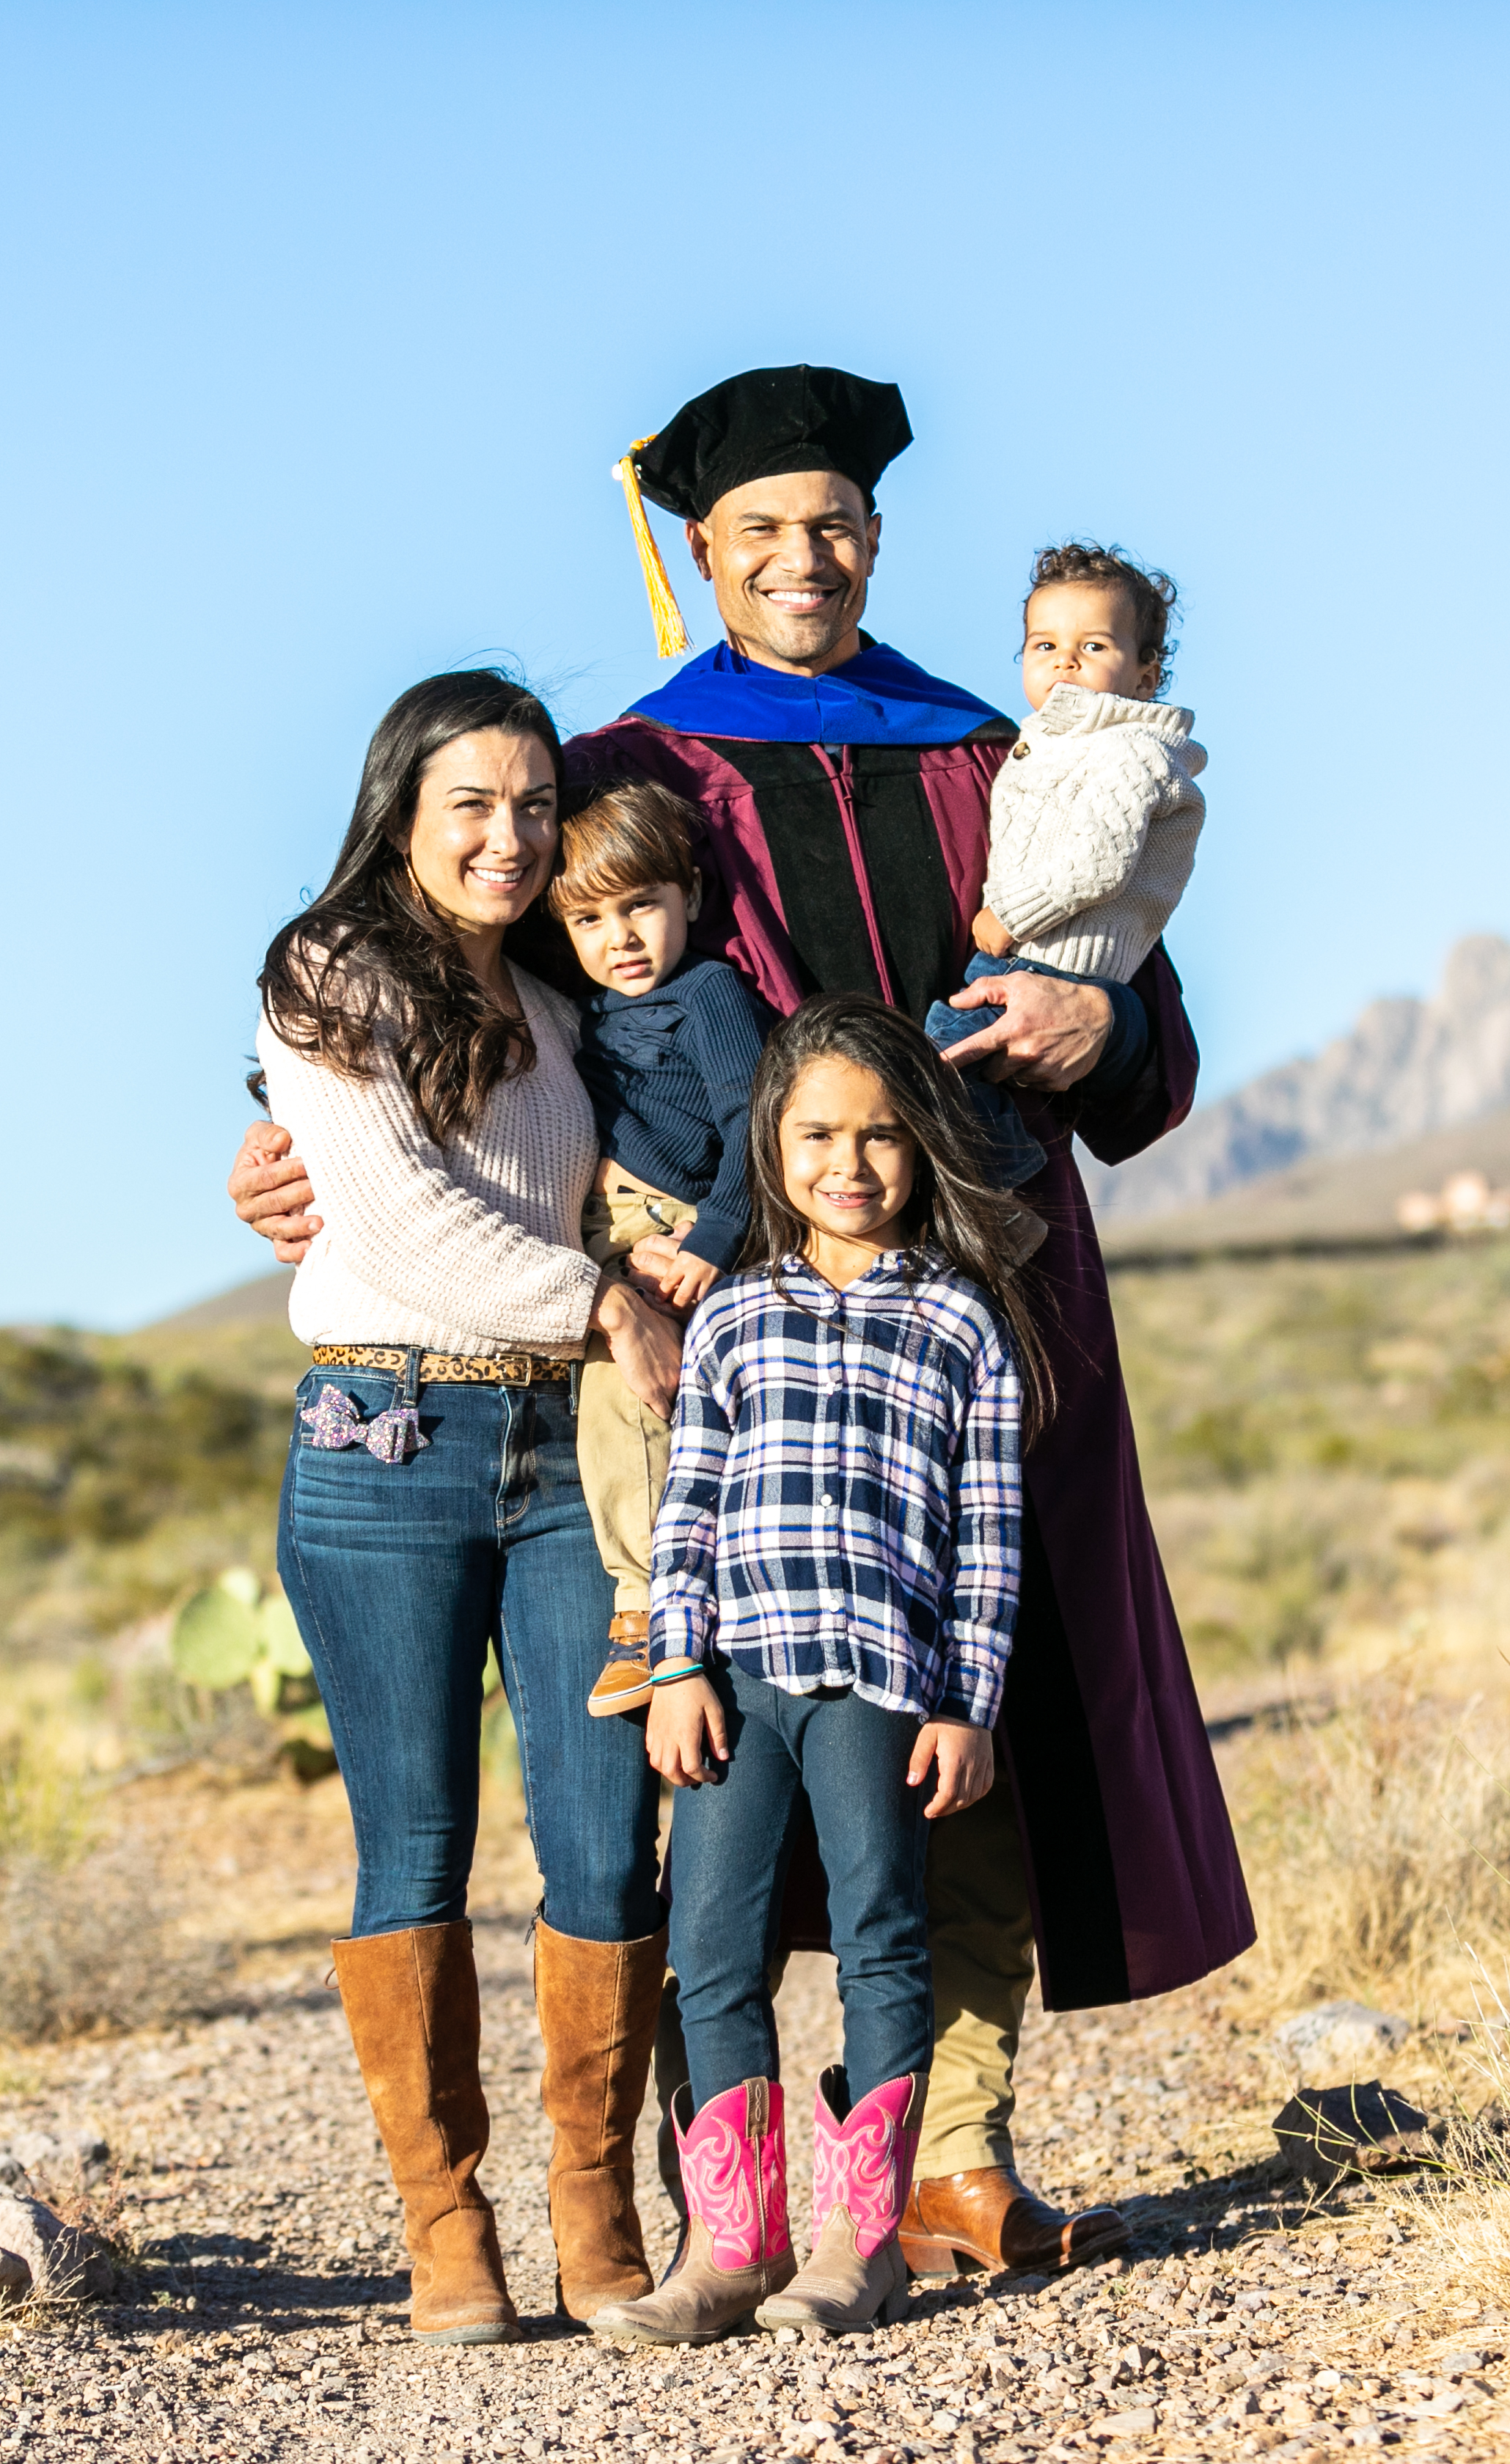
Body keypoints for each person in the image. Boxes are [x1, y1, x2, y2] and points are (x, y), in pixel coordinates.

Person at [235, 365, 1255, 2281]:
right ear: (700, 552)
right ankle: (721, 2193)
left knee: (976, 1712)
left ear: (880, 538)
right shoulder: (635, 773)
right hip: (731, 1329)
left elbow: (1152, 1026)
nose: (807, 556)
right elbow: (445, 991)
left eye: (839, 524)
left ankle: (954, 2150)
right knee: (713, 1742)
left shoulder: (994, 753)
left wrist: (1105, 1027)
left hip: (982, 1301)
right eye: (765, 531)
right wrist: (268, 1132)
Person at [253, 669, 686, 2342]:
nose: (509, 838)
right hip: (385, 1452)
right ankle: (448, 2229)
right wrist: (601, 1302)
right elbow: (408, 1224)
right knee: (416, 1846)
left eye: (531, 805)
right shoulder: (326, 974)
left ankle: (596, 2211)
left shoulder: (561, 1004)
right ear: (403, 814)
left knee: (602, 1837)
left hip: (568, 1467)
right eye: (471, 807)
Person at [590, 997, 1045, 2347]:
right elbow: (690, 1509)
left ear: (924, 1149)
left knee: (880, 1938)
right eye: (816, 1135)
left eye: (883, 1137)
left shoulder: (964, 1324)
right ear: (770, 1142)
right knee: (713, 1948)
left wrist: (969, 1700)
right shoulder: (733, 1319)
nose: (849, 1165)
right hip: (738, 1683)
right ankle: (734, 2245)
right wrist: (678, 1665)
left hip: (881, 1689)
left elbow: (992, 1539)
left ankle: (861, 2241)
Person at [543, 779, 772, 1717]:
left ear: (691, 898)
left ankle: (644, 1611)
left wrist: (718, 1231)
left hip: (678, 1226)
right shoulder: (581, 1016)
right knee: (626, 1409)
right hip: (604, 1241)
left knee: (629, 1399)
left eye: (641, 906)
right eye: (590, 918)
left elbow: (757, 1117)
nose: (620, 937)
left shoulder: (709, 992)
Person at [922, 544, 1208, 1189]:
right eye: (1044, 646)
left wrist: (1007, 917)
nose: (1067, 661)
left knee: (926, 1066)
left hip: (1043, 961)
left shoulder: (1129, 754)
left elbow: (1095, 866)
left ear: (1144, 675)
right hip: (1034, 956)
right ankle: (1001, 1172)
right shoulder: (1057, 746)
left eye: (1095, 646)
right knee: (957, 1069)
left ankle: (997, 1191)